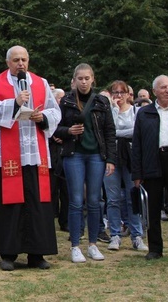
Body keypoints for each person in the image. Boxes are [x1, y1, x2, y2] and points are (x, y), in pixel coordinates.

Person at [0, 46, 61, 270]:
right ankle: (8, 253)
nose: (21, 64)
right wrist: (14, 103)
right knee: (9, 203)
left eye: (24, 59)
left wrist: (41, 116)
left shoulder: (40, 83)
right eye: (16, 60)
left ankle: (37, 253)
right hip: (6, 154)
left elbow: (55, 112)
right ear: (8, 62)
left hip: (34, 152)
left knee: (37, 202)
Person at [56, 63, 116, 264]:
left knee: (94, 200)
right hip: (74, 155)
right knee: (75, 200)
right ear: (74, 81)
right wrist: (68, 132)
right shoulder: (66, 101)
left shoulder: (101, 102)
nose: (83, 82)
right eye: (80, 78)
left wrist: (110, 159)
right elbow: (55, 127)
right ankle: (75, 245)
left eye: (87, 78)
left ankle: (92, 244)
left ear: (93, 79)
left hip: (96, 155)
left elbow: (109, 131)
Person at [131, 75, 168, 261]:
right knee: (153, 207)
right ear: (155, 91)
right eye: (163, 88)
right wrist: (137, 173)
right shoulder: (144, 113)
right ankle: (155, 248)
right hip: (153, 161)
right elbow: (137, 144)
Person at [104, 80, 148, 252]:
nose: (119, 96)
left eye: (122, 92)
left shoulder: (136, 112)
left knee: (133, 197)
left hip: (131, 159)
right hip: (112, 158)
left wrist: (116, 134)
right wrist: (114, 109)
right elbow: (109, 130)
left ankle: (137, 235)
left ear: (129, 94)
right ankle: (115, 234)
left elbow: (136, 132)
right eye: (115, 92)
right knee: (113, 199)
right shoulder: (110, 112)